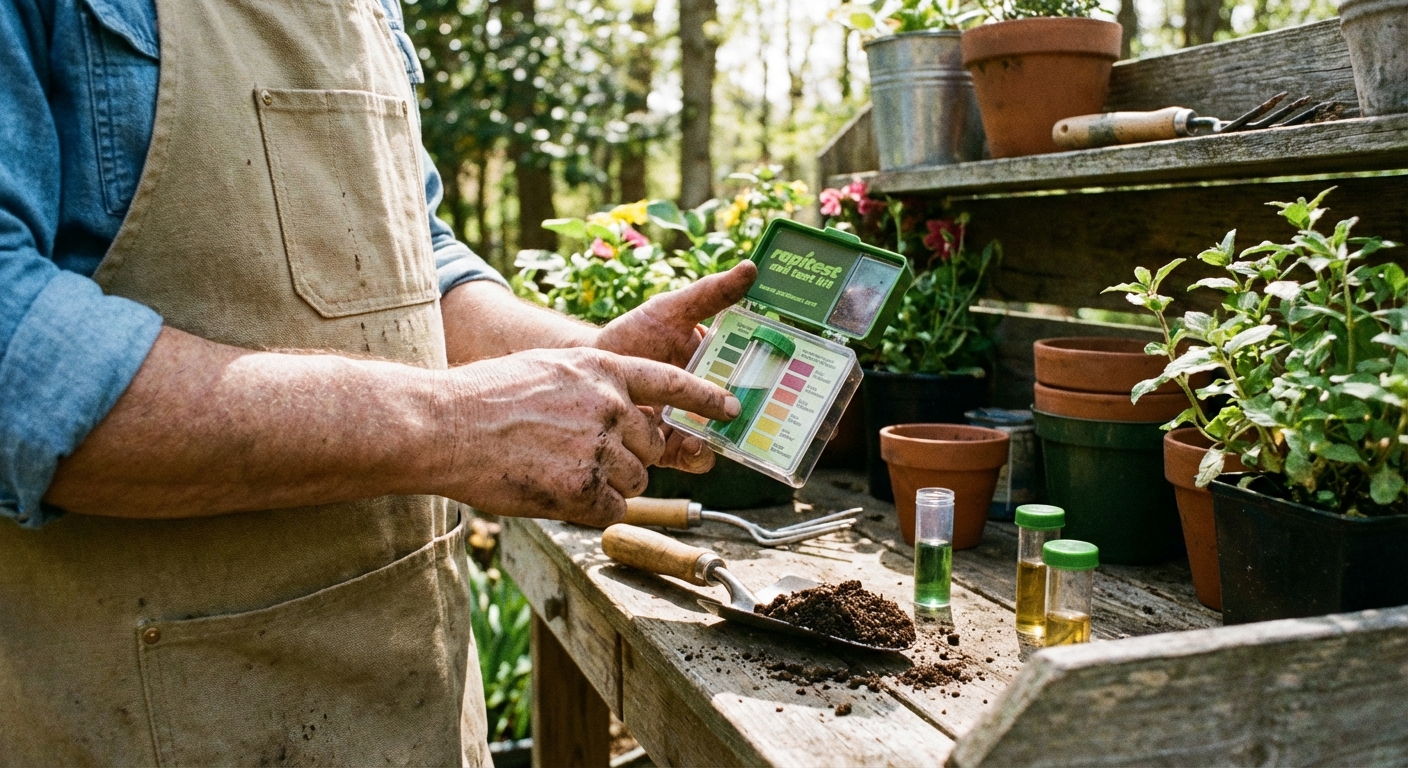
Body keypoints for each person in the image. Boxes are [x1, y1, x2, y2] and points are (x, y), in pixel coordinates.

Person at [0, 0, 753, 763]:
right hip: (158, 720)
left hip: (414, 708)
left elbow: (412, 255)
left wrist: (592, 363)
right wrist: (459, 425)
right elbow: (16, 357)